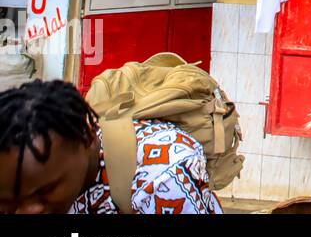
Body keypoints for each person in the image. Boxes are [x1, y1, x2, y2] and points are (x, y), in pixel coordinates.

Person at [0, 79, 222, 214]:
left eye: (43, 193)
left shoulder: (162, 178)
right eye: (10, 203)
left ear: (86, 138)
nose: (28, 211)